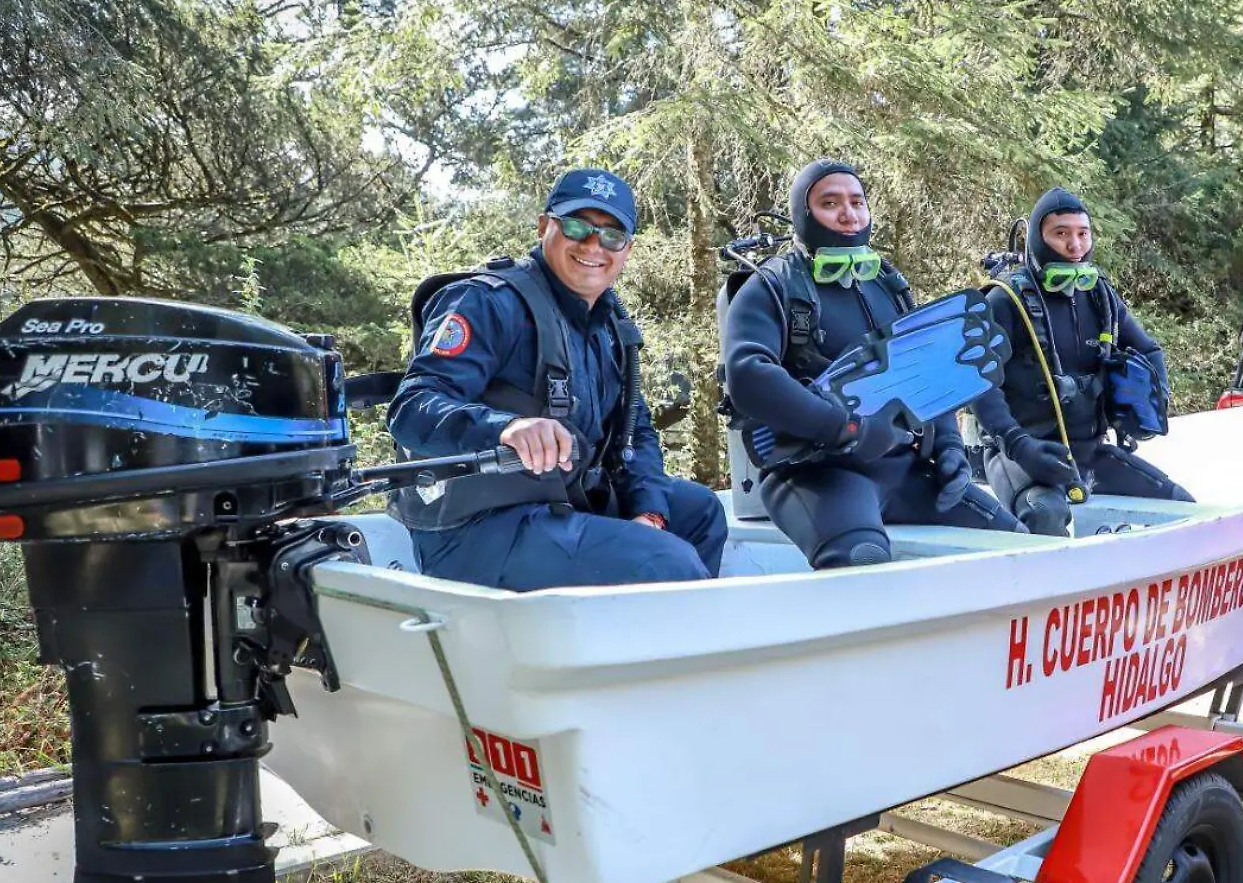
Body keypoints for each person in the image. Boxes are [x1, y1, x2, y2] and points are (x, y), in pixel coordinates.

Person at [386, 167, 727, 590]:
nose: (593, 245)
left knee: (701, 511)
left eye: (611, 235)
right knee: (665, 562)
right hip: (477, 528)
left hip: (562, 505)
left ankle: (638, 645)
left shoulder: (609, 328)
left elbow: (635, 432)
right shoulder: (487, 302)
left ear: (626, 249)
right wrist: (506, 428)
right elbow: (412, 407)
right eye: (577, 226)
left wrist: (650, 512)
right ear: (546, 225)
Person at [721, 158, 1024, 569]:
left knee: (1020, 546)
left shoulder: (887, 284)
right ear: (803, 214)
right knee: (861, 560)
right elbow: (748, 375)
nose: (848, 214)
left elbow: (934, 370)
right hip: (817, 475)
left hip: (903, 469)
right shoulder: (772, 286)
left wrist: (950, 446)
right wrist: (845, 427)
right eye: (830, 203)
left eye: (857, 201)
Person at [971, 187, 1192, 536]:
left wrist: (1151, 402)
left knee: (1179, 505)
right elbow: (979, 383)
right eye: (1061, 234)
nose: (1075, 246)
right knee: (1045, 513)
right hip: (1020, 456)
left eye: (1082, 233)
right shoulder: (1005, 300)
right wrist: (1016, 443)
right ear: (1037, 239)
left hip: (1087, 452)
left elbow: (1149, 351)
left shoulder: (1099, 296)